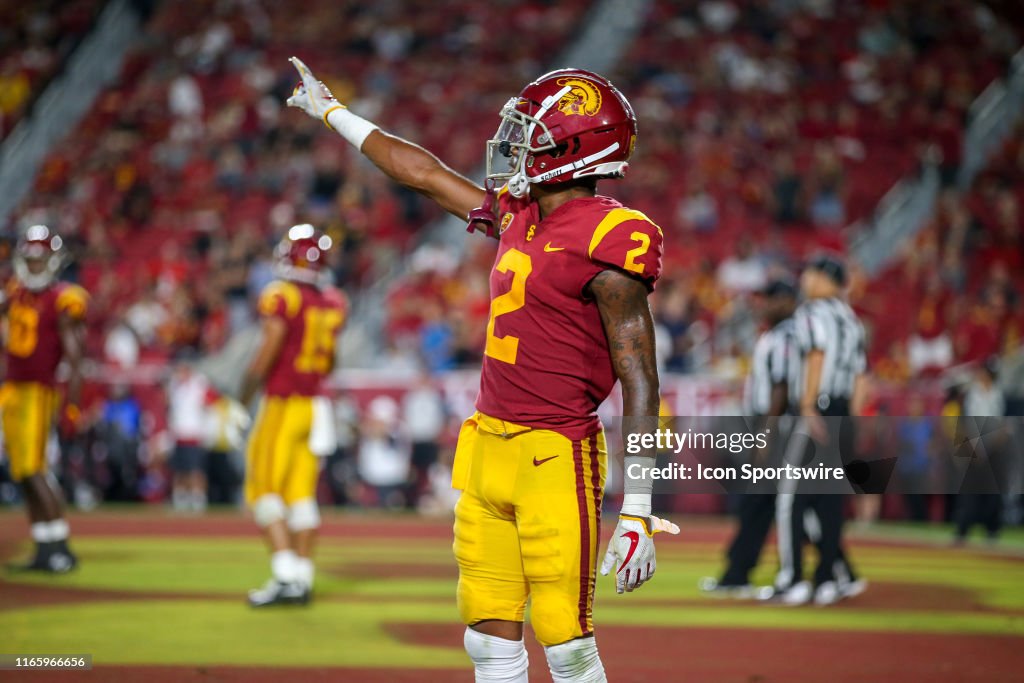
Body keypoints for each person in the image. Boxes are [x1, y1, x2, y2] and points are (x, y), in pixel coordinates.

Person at [288, 58, 679, 682]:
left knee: (566, 642)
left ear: (576, 150)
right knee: (487, 637)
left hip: (556, 452)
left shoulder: (613, 232)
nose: (517, 145)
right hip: (487, 444)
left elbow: (641, 375)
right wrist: (334, 113)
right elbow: (424, 175)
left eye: (534, 135)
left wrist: (637, 507)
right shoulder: (520, 212)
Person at [240, 223, 348, 607]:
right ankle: (302, 578)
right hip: (317, 406)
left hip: (284, 404)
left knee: (264, 490)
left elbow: (269, 350)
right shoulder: (333, 301)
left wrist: (242, 397)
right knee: (302, 496)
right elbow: (331, 361)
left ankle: (286, 577)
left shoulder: (282, 295)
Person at [775, 254, 866, 606]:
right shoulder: (851, 319)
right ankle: (828, 579)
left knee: (790, 497)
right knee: (830, 500)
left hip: (819, 407)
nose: (806, 280)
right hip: (843, 411)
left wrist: (809, 405)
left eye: (812, 273)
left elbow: (816, 354)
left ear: (827, 279)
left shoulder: (812, 313)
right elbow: (861, 375)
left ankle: (793, 578)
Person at [700, 277, 798, 596]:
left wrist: (766, 434)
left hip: (775, 426)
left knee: (778, 503)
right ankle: (737, 571)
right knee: (766, 502)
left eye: (770, 298)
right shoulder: (775, 335)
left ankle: (740, 572)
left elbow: (781, 388)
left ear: (787, 300)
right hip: (766, 423)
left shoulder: (786, 337)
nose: (763, 305)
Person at [0, 225, 87, 573]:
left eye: (41, 260)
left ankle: (60, 547)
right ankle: (44, 545)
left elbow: (76, 361)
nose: (35, 267)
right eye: (31, 260)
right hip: (14, 389)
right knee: (22, 472)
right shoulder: (15, 292)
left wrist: (73, 404)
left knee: (35, 469)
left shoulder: (63, 298)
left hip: (39, 391)